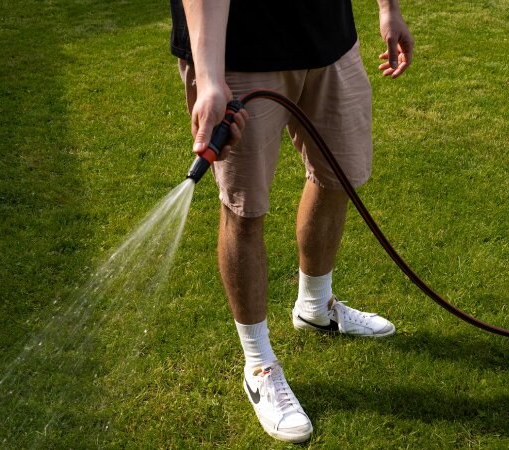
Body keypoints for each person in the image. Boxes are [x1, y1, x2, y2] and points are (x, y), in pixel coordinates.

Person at [169, 0, 413, 443]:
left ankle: (316, 308)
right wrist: (208, 79)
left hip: (328, 39)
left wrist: (388, 9)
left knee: (341, 176)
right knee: (245, 209)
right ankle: (258, 362)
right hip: (238, 53)